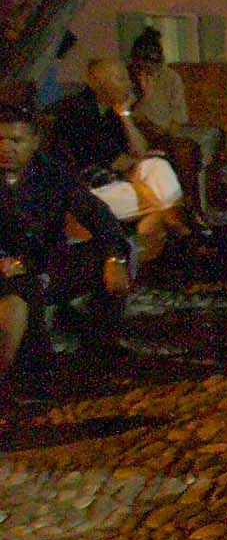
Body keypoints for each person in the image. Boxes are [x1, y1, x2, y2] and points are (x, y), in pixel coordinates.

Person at [0, 103, 131, 387]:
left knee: (109, 257)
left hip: (47, 262)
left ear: (34, 142)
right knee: (21, 288)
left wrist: (113, 258)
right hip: (10, 272)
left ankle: (101, 349)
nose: (6, 148)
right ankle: (32, 372)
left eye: (16, 140)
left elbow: (96, 213)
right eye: (1, 140)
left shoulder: (51, 173)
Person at [47, 57, 187, 266]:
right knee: (158, 178)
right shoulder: (78, 112)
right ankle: (179, 228)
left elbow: (138, 151)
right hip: (86, 197)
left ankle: (143, 250)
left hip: (114, 187)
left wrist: (125, 114)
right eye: (120, 78)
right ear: (96, 82)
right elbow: (120, 161)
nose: (129, 83)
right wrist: (142, 163)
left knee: (157, 176)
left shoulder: (112, 112)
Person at [125, 30, 215, 234]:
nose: (150, 68)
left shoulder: (170, 78)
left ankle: (192, 211)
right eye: (144, 63)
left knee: (186, 151)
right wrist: (143, 99)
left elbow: (177, 119)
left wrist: (164, 133)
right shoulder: (129, 80)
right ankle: (178, 215)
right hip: (134, 134)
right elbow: (128, 115)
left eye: (155, 62)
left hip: (162, 133)